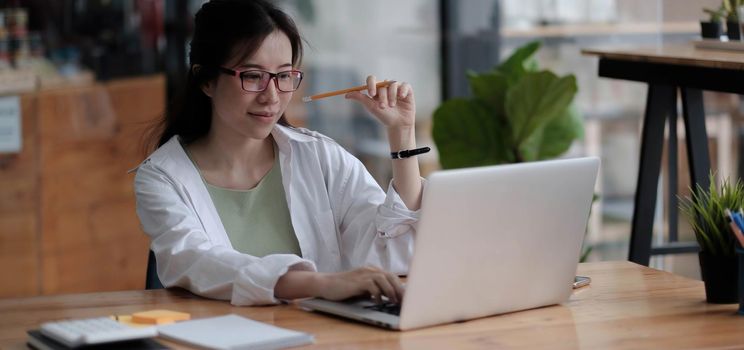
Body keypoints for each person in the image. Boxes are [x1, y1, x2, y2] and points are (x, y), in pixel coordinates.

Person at [134, 0, 425, 306]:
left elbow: (397, 255)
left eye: (284, 76)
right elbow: (198, 262)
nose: (271, 97)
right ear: (207, 79)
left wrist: (402, 133)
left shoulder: (321, 158)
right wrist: (322, 283)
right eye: (252, 76)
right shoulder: (161, 178)